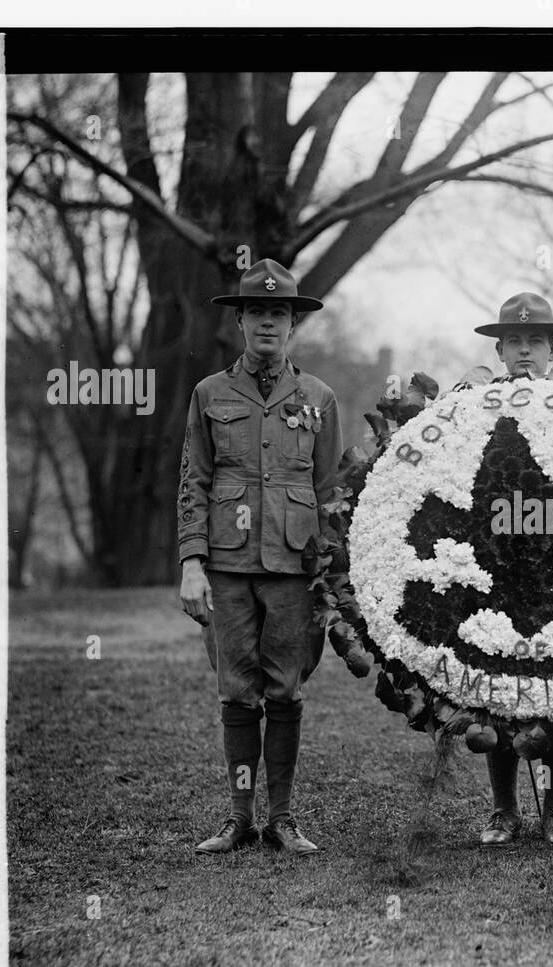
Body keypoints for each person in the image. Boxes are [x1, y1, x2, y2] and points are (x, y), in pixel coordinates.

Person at [178, 258, 343, 856]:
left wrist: (333, 577)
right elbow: (192, 482)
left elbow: (332, 493)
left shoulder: (319, 397)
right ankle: (239, 817)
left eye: (280, 313)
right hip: (226, 566)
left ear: (292, 324)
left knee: (287, 691)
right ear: (240, 321)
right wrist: (192, 563)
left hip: (294, 569)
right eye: (258, 312)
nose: (268, 323)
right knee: (235, 691)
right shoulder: (209, 394)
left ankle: (283, 818)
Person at [472, 292, 553, 848]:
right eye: (513, 341)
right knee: (497, 686)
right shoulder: (474, 407)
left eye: (534, 341)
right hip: (494, 567)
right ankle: (503, 809)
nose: (523, 351)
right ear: (498, 348)